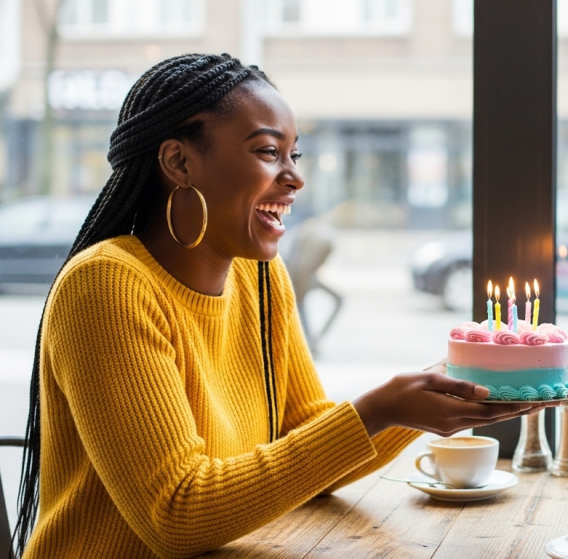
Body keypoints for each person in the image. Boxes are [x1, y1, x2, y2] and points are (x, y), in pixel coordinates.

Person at [13, 54, 537, 558]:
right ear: (179, 162)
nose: (294, 178)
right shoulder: (107, 284)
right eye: (268, 152)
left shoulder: (260, 277)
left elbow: (304, 441)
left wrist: (423, 397)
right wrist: (382, 408)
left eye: (295, 155)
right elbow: (176, 515)